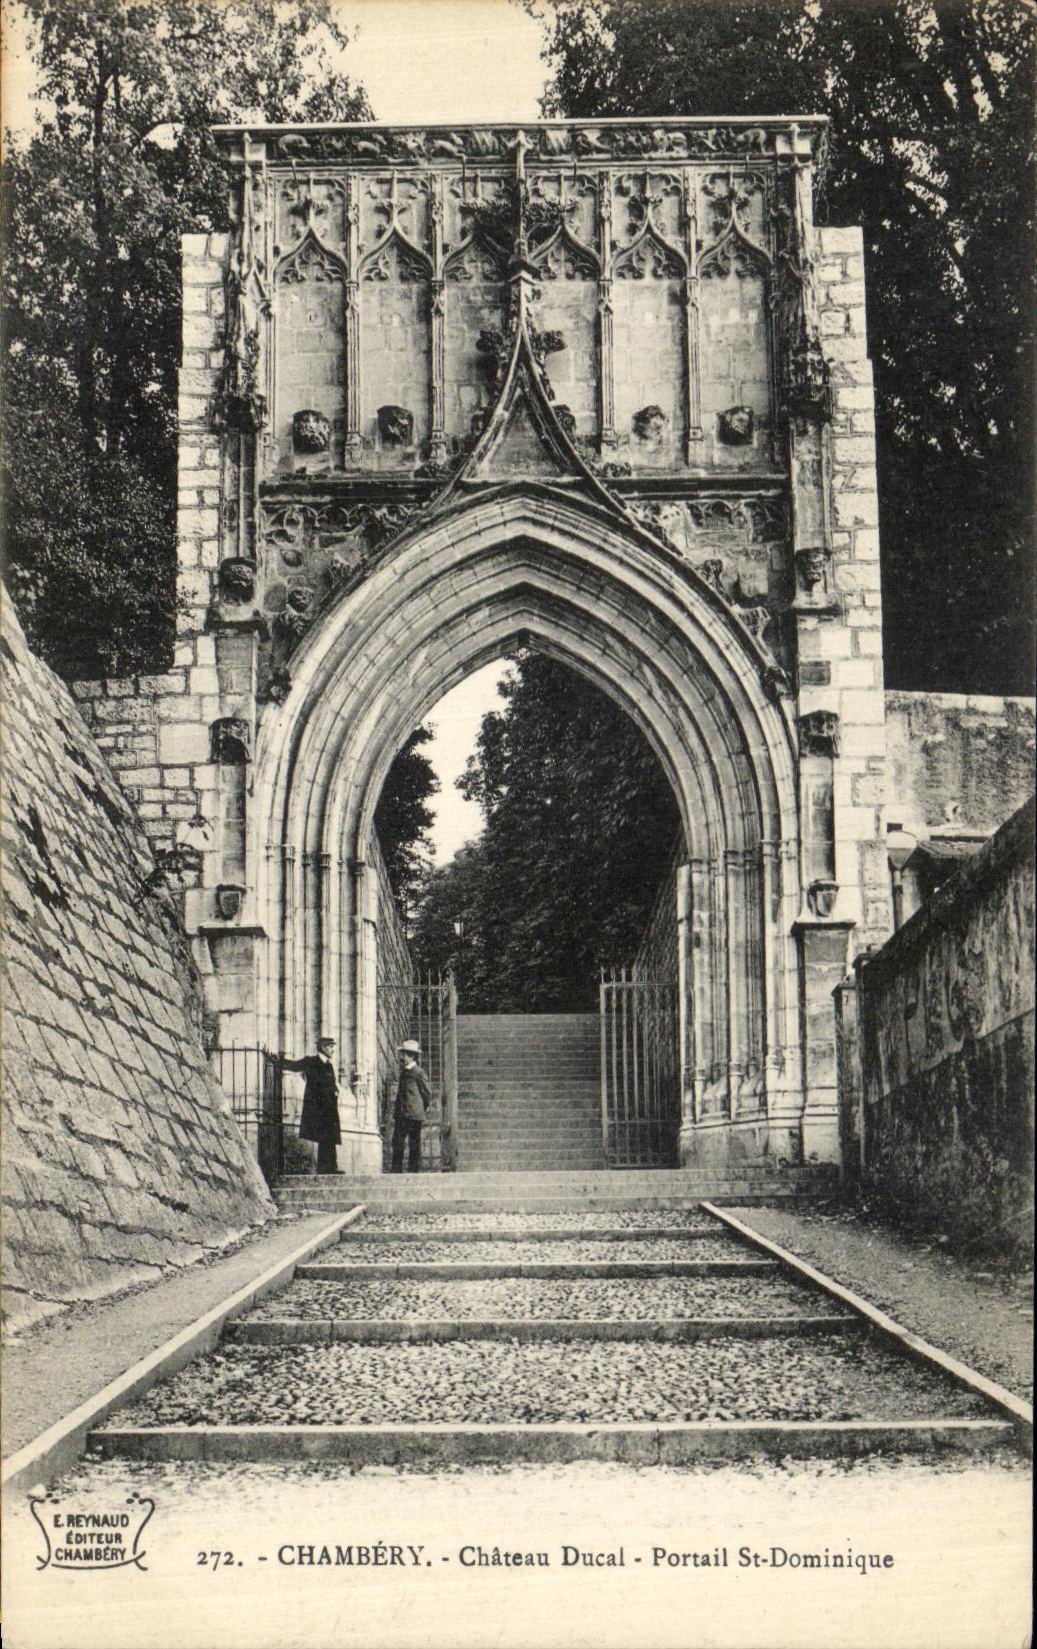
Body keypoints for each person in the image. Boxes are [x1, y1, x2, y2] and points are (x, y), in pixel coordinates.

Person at [275, 1036, 342, 1174]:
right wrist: (279, 1061)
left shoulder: (329, 1065)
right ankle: (326, 1167)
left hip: (329, 1108)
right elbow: (294, 1066)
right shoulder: (311, 1061)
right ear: (323, 1047)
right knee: (325, 1137)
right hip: (318, 1107)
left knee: (329, 1137)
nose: (333, 1050)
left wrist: (335, 1091)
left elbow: (332, 1084)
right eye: (330, 1047)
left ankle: (329, 1167)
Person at [392, 1039, 431, 1173]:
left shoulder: (419, 1072)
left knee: (414, 1144)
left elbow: (427, 1094)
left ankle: (413, 1171)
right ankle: (396, 1170)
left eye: (405, 1055)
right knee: (397, 1142)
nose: (402, 1058)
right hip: (402, 1114)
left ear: (412, 1056)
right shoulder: (404, 1072)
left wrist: (419, 1109)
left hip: (414, 1115)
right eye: (402, 1054)